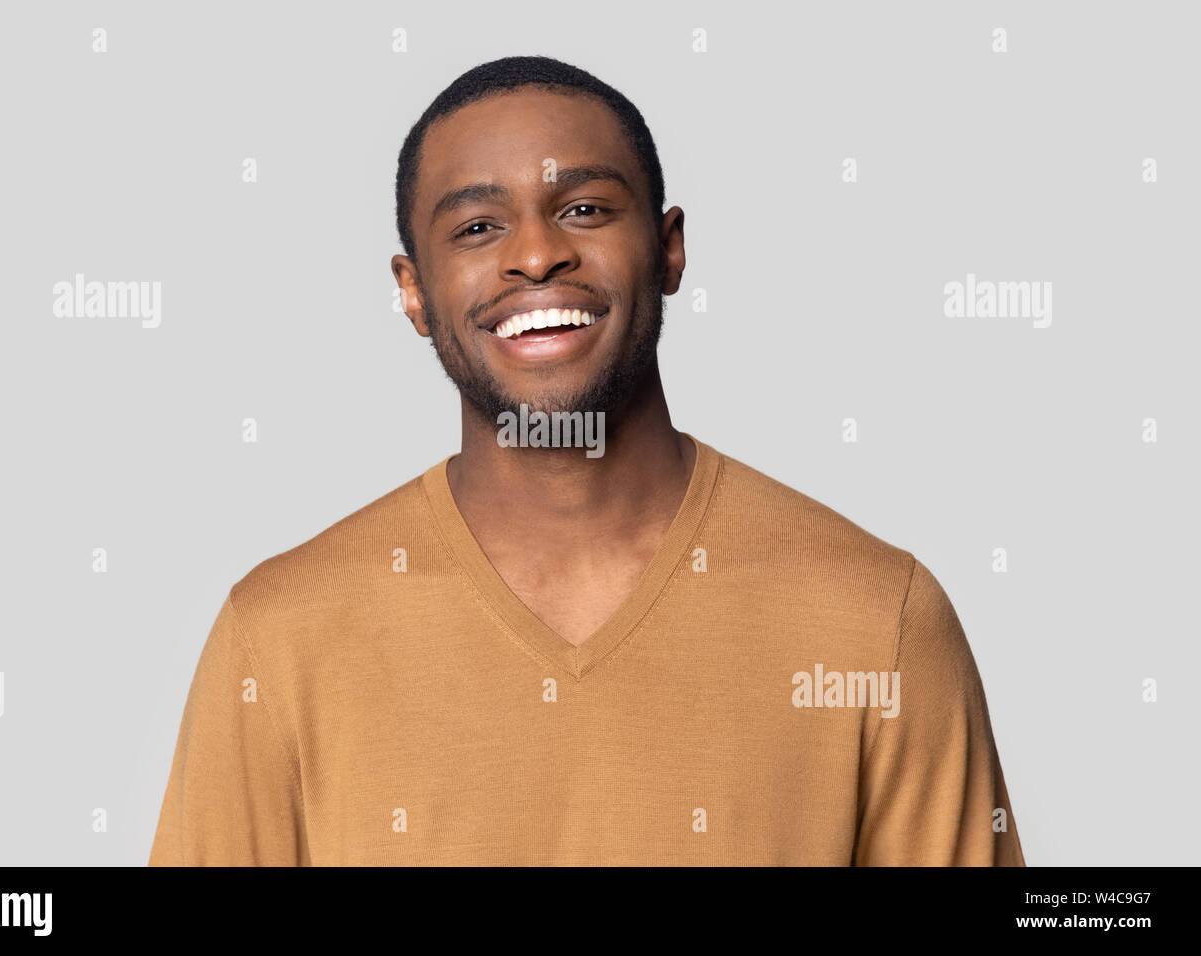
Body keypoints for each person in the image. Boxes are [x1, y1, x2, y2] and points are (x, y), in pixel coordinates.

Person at [149, 55, 1024, 866]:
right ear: (412, 291)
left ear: (670, 247)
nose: (536, 255)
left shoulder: (878, 618)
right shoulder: (276, 636)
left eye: (584, 210)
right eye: (479, 226)